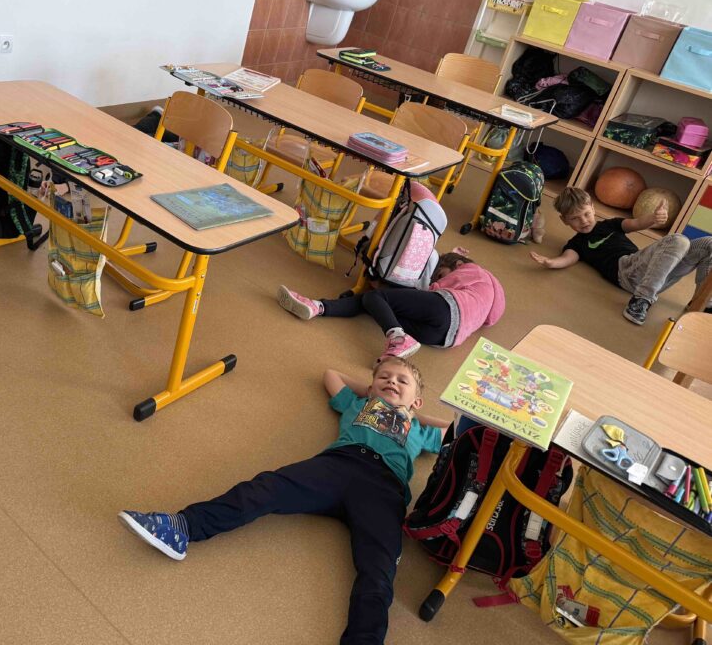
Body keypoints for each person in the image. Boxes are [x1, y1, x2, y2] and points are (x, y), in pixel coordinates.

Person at [118, 356, 450, 645]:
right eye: (384, 378)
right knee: (265, 488)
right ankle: (183, 527)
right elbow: (331, 375)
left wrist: (411, 412)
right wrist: (372, 392)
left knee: (378, 571)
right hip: (338, 465)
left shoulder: (420, 430)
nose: (391, 382)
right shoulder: (357, 403)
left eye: (401, 381)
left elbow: (456, 429)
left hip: (384, 488)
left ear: (418, 401)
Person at [276, 249, 506, 362]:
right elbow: (492, 318)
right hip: (444, 339)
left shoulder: (474, 271)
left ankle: (398, 337)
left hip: (447, 308)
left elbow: (435, 289)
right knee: (374, 304)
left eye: (440, 274)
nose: (437, 279)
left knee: (377, 297)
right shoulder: (490, 295)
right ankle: (318, 307)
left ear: (458, 264)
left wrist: (430, 285)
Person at [530, 187, 712, 325]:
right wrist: (551, 262)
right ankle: (640, 301)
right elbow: (568, 258)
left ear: (592, 208)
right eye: (575, 218)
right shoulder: (577, 243)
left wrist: (654, 218)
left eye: (586, 214)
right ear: (564, 220)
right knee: (679, 240)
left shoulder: (611, 224)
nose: (583, 221)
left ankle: (701, 303)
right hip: (627, 272)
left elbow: (637, 223)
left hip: (655, 274)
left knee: (708, 244)